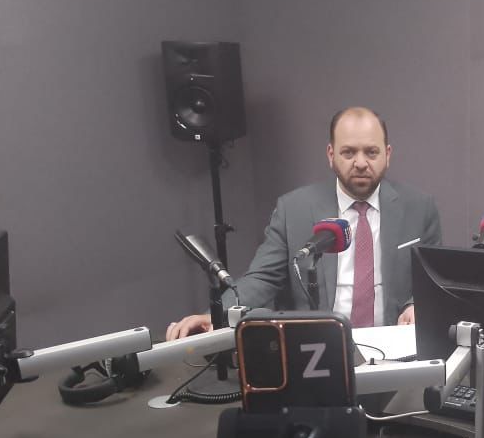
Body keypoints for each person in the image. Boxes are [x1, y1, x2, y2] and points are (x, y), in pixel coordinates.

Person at [166, 106, 441, 339]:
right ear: (331, 155)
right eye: (348, 152)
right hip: (318, 347)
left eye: (371, 152)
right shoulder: (294, 209)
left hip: (395, 344)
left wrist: (416, 306)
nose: (360, 163)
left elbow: (431, 283)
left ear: (387, 154)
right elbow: (262, 278)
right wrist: (215, 316)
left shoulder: (419, 208)